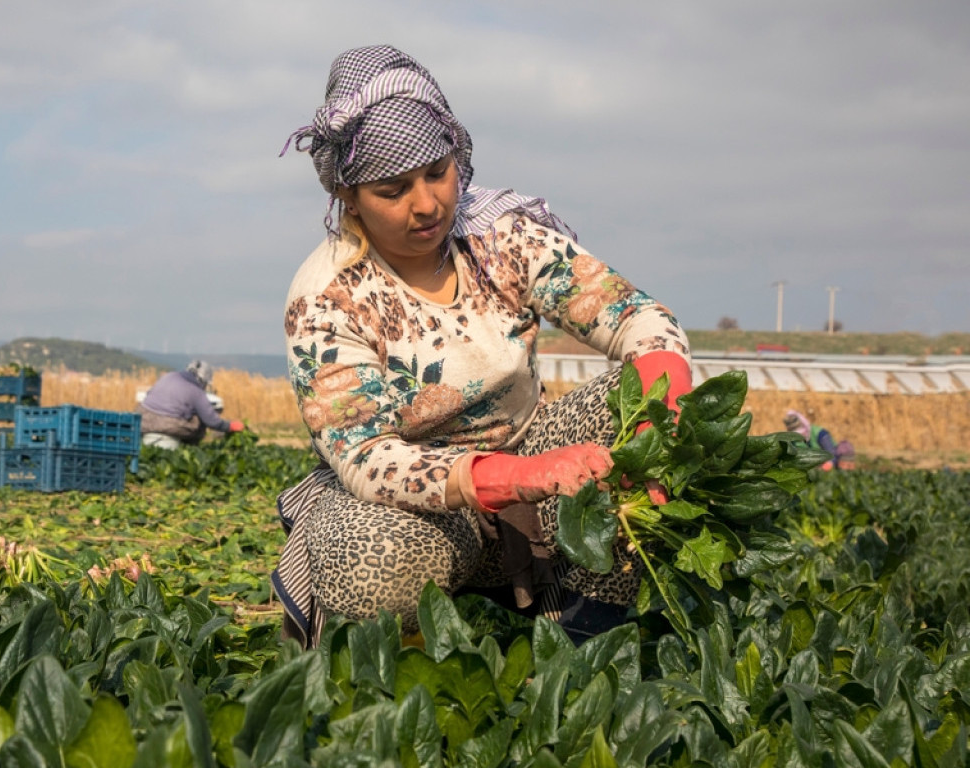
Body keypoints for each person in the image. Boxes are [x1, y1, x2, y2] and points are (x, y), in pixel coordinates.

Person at [272, 45, 694, 648]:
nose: (428, 205)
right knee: (373, 561)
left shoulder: (500, 237)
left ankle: (584, 626)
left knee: (636, 403)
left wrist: (662, 416)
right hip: (420, 504)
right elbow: (367, 458)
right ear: (348, 195)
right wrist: (510, 476)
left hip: (538, 481)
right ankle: (404, 648)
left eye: (437, 173)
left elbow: (636, 317)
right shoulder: (327, 296)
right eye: (393, 190)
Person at [137, 360, 245, 447]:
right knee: (199, 422)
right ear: (203, 380)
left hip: (143, 421)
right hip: (167, 427)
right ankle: (190, 450)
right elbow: (212, 422)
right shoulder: (196, 391)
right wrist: (230, 426)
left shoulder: (168, 376)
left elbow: (148, 396)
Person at [783, 409, 849, 470]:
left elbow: (832, 454)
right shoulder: (793, 440)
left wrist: (828, 465)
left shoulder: (821, 434)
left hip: (827, 467)